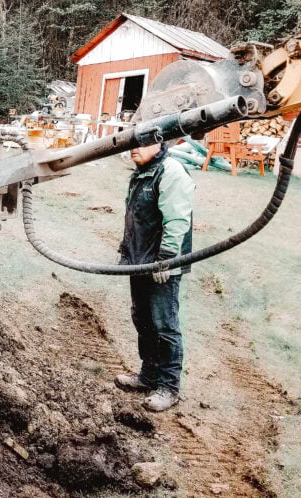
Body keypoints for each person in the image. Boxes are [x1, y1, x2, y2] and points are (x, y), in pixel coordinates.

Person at [114, 142, 195, 412]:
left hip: (162, 264)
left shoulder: (170, 172)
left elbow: (177, 220)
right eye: (133, 143)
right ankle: (148, 376)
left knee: (164, 324)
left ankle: (169, 387)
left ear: (160, 143)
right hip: (139, 261)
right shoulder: (143, 171)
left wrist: (166, 259)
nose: (134, 148)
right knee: (143, 319)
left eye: (143, 143)